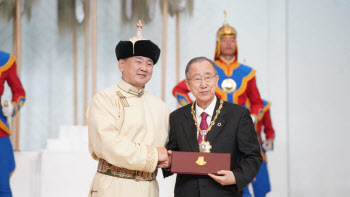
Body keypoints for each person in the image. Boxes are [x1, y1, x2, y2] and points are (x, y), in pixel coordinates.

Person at [86, 21, 169, 197]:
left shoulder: (160, 106)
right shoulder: (105, 98)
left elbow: (170, 147)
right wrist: (154, 155)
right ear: (122, 65)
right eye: (138, 61)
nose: (144, 68)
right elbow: (108, 144)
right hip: (114, 187)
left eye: (149, 63)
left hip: (149, 188)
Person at [162, 57, 262, 197]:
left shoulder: (238, 115)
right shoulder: (177, 117)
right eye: (197, 79)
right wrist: (168, 162)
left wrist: (235, 176)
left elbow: (253, 156)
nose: (203, 84)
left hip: (225, 192)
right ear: (188, 85)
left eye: (208, 77)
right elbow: (173, 155)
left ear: (216, 80)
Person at [172, 16, 263, 123]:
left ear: (236, 44)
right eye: (224, 40)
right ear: (218, 44)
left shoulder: (247, 73)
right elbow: (178, 90)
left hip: (240, 126)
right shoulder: (207, 69)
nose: (228, 43)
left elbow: (257, 103)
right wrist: (195, 112)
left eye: (232, 40)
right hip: (213, 125)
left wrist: (251, 119)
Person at [0, 50, 26, 197]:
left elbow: (19, 92)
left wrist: (12, 107)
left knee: (2, 184)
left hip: (0, 131)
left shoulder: (5, 60)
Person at [243, 99, 275, 197]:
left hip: (257, 151)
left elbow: (269, 129)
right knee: (241, 188)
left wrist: (269, 140)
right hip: (237, 151)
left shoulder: (263, 105)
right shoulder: (231, 102)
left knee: (261, 188)